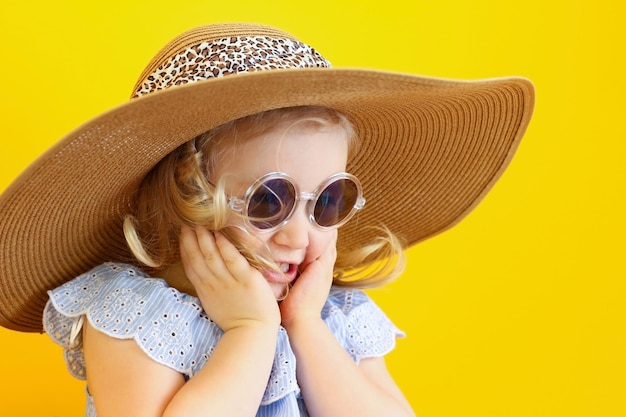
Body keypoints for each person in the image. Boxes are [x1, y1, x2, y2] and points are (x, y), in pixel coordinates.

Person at [0, 23, 534, 417]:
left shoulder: (332, 314)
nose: (299, 236)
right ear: (182, 200)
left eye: (327, 201)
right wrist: (250, 332)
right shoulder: (136, 315)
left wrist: (303, 327)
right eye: (266, 201)